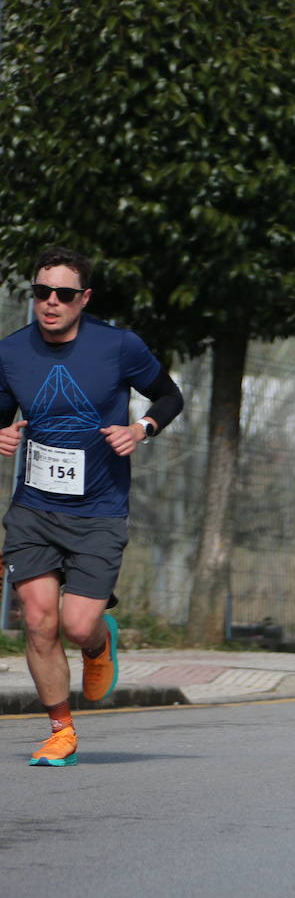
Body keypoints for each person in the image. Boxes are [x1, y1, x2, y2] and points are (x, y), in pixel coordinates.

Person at [0, 248, 184, 766]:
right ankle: (61, 730)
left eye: (62, 294)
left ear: (84, 298)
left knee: (77, 626)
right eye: (41, 293)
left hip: (99, 510)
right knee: (38, 620)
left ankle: (99, 643)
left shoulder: (118, 346)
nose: (50, 303)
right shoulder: (11, 353)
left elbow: (168, 396)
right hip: (33, 508)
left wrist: (140, 428)